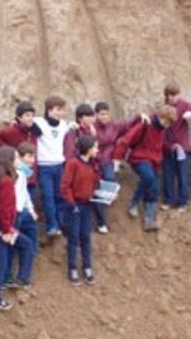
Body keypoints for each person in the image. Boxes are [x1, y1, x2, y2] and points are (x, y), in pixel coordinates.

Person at [113, 105, 177, 232]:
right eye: (166, 121)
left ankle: (149, 220)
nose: (167, 125)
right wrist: (117, 158)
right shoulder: (145, 124)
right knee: (148, 177)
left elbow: (160, 147)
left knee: (154, 189)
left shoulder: (161, 131)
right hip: (139, 158)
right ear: (160, 116)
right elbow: (126, 140)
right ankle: (134, 203)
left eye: (169, 123)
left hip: (154, 162)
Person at [0, 146, 34, 309]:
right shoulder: (6, 181)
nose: (18, 162)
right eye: (16, 159)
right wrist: (6, 230)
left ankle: (3, 288)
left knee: (22, 247)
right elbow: (6, 208)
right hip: (1, 227)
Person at [93, 103, 143, 234]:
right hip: (94, 162)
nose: (104, 117)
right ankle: (100, 221)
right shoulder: (92, 128)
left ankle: (101, 214)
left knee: (109, 183)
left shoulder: (114, 126)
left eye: (106, 114)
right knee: (96, 190)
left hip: (108, 161)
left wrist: (139, 117)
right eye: (101, 114)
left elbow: (128, 125)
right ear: (96, 115)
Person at [60, 135, 100, 285]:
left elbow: (95, 182)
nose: (97, 150)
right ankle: (72, 268)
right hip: (75, 206)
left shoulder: (93, 164)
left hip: (88, 204)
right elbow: (65, 186)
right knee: (74, 237)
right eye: (95, 147)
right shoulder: (73, 164)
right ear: (88, 149)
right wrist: (72, 204)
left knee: (85, 236)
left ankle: (87, 267)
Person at [35, 95, 71, 240]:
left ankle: (61, 223)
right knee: (48, 196)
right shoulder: (39, 123)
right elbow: (24, 126)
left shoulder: (64, 125)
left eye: (61, 110)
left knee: (60, 196)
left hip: (59, 166)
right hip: (44, 167)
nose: (59, 112)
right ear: (49, 110)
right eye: (57, 109)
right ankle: (52, 225)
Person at [161, 83, 191, 212]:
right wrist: (167, 145)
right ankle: (169, 201)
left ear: (178, 94)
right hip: (167, 147)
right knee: (168, 175)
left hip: (182, 148)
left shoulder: (185, 105)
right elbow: (162, 129)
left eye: (173, 95)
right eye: (168, 95)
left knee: (183, 176)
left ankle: (183, 202)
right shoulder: (164, 108)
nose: (171, 97)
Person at [6, 142, 39, 290]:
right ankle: (13, 278)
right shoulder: (17, 174)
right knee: (14, 246)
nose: (32, 160)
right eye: (29, 156)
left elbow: (24, 193)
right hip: (13, 215)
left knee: (25, 241)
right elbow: (13, 196)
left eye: (33, 157)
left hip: (19, 213)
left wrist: (30, 209)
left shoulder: (22, 174)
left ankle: (17, 277)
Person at [0, 101, 41, 202]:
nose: (30, 118)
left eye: (32, 115)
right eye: (27, 115)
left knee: (30, 205)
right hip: (17, 174)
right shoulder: (12, 131)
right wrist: (12, 153)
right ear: (19, 118)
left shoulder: (34, 131)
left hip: (31, 176)